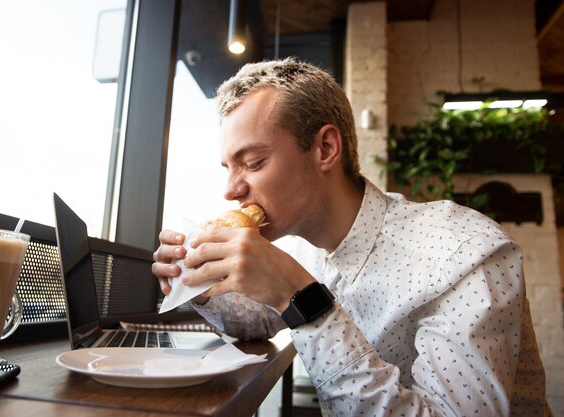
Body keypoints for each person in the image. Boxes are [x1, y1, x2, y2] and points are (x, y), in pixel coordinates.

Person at [152, 58, 551, 416]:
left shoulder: (459, 252)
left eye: (253, 162)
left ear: (325, 148)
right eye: (228, 167)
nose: (231, 189)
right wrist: (199, 285)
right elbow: (254, 323)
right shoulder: (304, 251)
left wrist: (303, 300)